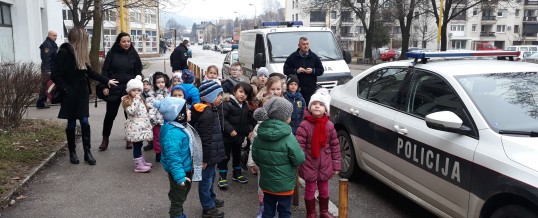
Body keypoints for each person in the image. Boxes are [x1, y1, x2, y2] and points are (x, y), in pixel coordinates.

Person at [51, 28, 118, 165]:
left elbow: (91, 73)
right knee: (71, 123)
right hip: (69, 94)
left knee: (84, 121)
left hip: (81, 93)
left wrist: (106, 80)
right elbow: (55, 75)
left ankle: (87, 152)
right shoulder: (64, 53)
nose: (87, 41)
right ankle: (72, 152)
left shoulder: (81, 54)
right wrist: (66, 89)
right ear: (79, 40)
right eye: (85, 39)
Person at [252, 97, 305, 218]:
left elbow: (256, 156)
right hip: (285, 185)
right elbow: (299, 158)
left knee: (268, 211)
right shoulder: (288, 137)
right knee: (285, 211)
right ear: (284, 118)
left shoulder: (260, 135)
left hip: (267, 184)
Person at [296, 88, 341, 218]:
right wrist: (299, 163)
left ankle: (324, 211)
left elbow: (335, 146)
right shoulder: (304, 125)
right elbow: (299, 147)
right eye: (314, 103)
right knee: (310, 190)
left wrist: (336, 164)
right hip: (309, 163)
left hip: (325, 164)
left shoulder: (329, 126)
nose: (317, 106)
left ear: (326, 110)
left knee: (324, 190)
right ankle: (311, 213)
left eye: (321, 104)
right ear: (310, 107)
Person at [154, 97, 201, 218]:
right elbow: (173, 158)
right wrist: (180, 177)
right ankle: (176, 215)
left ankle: (178, 213)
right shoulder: (173, 134)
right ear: (178, 115)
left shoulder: (180, 127)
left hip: (184, 168)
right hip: (180, 172)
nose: (189, 111)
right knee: (178, 197)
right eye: (186, 109)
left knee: (181, 195)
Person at [98, 32, 143, 151]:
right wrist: (105, 85)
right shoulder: (112, 53)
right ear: (119, 42)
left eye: (128, 41)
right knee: (110, 115)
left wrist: (138, 85)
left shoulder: (133, 54)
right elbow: (105, 71)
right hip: (114, 87)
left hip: (128, 90)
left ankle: (130, 138)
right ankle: (105, 139)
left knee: (129, 115)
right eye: (124, 41)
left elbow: (138, 71)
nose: (126, 43)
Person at [190, 80, 226, 218]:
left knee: (211, 177)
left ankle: (211, 197)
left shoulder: (208, 110)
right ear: (210, 97)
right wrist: (204, 160)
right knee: (206, 180)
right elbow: (205, 138)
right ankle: (208, 207)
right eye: (218, 95)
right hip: (208, 155)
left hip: (212, 153)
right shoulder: (207, 114)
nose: (221, 98)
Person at [217, 82, 254, 189]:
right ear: (234, 91)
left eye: (246, 94)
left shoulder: (245, 106)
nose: (243, 95)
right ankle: (222, 176)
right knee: (225, 156)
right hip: (227, 137)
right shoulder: (227, 103)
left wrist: (249, 132)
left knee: (237, 155)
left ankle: (237, 173)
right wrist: (230, 130)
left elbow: (246, 121)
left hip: (239, 137)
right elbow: (221, 119)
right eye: (241, 92)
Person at [122, 75, 153, 173]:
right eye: (134, 90)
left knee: (139, 144)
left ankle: (142, 162)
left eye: (139, 90)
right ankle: (139, 165)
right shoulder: (127, 100)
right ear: (129, 91)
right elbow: (131, 111)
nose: (136, 92)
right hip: (134, 127)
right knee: (136, 145)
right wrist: (136, 100)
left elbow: (144, 110)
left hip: (141, 126)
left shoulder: (140, 99)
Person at [283, 37, 324, 105]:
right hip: (296, 90)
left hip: (310, 90)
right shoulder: (292, 57)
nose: (306, 46)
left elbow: (321, 70)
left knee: (308, 108)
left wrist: (313, 71)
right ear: (299, 45)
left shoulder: (314, 57)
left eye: (307, 44)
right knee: (297, 108)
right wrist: (296, 71)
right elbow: (285, 70)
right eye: (303, 44)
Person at [146, 72, 171, 162]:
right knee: (157, 137)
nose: (161, 84)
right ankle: (158, 153)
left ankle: (166, 153)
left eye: (162, 82)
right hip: (156, 119)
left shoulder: (167, 92)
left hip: (166, 118)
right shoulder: (151, 93)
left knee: (166, 137)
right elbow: (149, 103)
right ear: (154, 83)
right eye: (158, 82)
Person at [37, 30, 58, 109]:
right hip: (48, 68)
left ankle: (52, 99)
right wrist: (48, 70)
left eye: (56, 36)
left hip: (51, 67)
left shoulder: (51, 44)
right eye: (54, 35)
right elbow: (47, 59)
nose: (56, 37)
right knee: (45, 84)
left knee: (47, 84)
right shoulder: (47, 45)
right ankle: (40, 102)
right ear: (49, 35)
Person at [142, 76, 155, 152]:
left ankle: (155, 143)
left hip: (153, 114)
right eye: (144, 84)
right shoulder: (141, 94)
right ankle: (150, 143)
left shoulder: (153, 94)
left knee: (154, 129)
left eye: (147, 84)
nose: (145, 86)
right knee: (147, 129)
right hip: (145, 115)